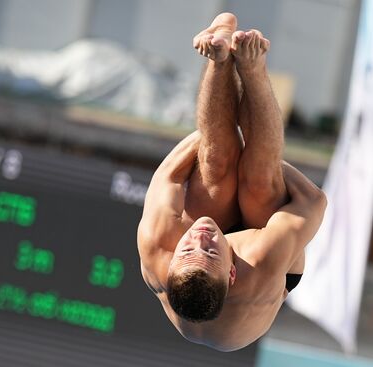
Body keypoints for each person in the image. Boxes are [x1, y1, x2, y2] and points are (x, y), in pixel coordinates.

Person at [137, 13, 327, 352]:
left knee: (215, 161)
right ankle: (254, 66)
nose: (201, 236)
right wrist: (259, 151)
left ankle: (219, 55)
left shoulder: (158, 244)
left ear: (171, 264)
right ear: (232, 273)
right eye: (210, 250)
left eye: (188, 248)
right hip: (269, 271)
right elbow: (313, 201)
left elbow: (168, 173)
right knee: (258, 182)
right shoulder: (261, 261)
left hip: (209, 260)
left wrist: (219, 135)